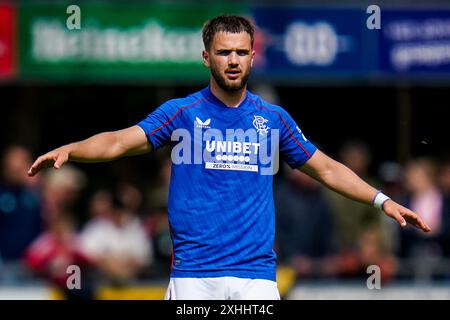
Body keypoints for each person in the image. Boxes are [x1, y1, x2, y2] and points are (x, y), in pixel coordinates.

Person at [28, 15, 431, 300]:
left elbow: (325, 168)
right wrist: (72, 149)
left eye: (241, 52)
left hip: (255, 278)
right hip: (193, 278)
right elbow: (118, 142)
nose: (233, 60)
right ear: (207, 57)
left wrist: (383, 200)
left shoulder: (273, 119)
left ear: (253, 57)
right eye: (224, 52)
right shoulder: (181, 112)